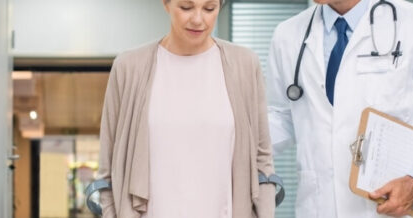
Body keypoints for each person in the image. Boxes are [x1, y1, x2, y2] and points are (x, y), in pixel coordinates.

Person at [265, 0, 413, 217]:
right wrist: (237, 147)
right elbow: (281, 116)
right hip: (318, 206)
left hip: (386, 205)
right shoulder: (288, 34)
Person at [93, 0, 277, 217]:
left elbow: (263, 158)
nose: (198, 19)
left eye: (209, 9)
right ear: (166, 4)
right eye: (186, 7)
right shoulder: (129, 67)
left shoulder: (245, 64)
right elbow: (108, 166)